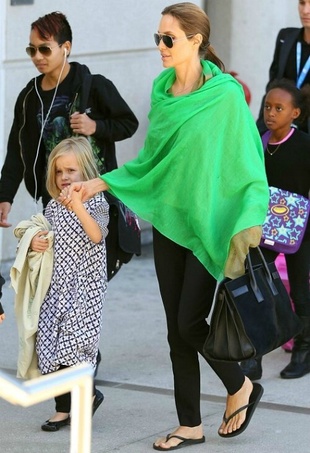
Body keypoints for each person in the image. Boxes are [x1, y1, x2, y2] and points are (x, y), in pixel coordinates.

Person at [0, 11, 139, 226]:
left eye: (45, 49)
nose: (37, 56)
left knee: (97, 258)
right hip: (54, 200)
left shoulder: (94, 86)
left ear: (66, 48)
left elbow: (129, 124)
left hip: (94, 198)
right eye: (32, 50)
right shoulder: (30, 96)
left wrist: (96, 126)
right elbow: (17, 149)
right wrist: (5, 196)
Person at [29, 136, 109, 432]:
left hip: (85, 290)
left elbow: (97, 234)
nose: (64, 178)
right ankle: (63, 409)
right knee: (50, 347)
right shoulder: (52, 206)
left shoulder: (97, 202)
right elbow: (47, 238)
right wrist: (37, 241)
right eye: (60, 172)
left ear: (86, 172)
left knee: (72, 348)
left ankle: (87, 396)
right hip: (56, 288)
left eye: (71, 171)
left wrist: (78, 204)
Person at [240, 79, 310, 382]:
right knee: (257, 286)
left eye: (279, 108)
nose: (270, 113)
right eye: (267, 106)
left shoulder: (305, 145)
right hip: (263, 227)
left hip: (300, 228)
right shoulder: (258, 141)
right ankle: (254, 353)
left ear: (295, 113)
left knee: (300, 289)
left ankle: (303, 351)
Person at [256, 0, 310, 135]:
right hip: (277, 125)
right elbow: (274, 80)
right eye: (302, 3)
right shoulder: (286, 37)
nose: (305, 11)